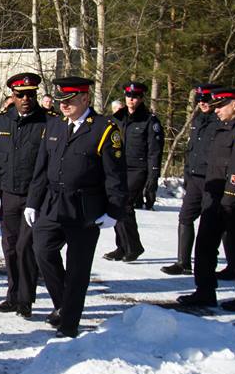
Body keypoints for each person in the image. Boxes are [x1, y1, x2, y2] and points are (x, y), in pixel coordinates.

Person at [25, 77, 127, 339]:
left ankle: (69, 323)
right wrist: (32, 202)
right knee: (42, 250)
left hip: (85, 207)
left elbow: (115, 174)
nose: (64, 106)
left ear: (85, 98)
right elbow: (41, 167)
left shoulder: (104, 128)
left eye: (70, 101)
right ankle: (63, 303)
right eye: (60, 101)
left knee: (78, 267)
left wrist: (115, 210)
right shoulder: (55, 124)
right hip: (53, 202)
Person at [176, 87, 235, 312]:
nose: (216, 110)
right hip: (214, 198)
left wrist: (230, 198)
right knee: (205, 245)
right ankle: (205, 291)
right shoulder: (220, 130)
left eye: (221, 106)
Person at [0, 73, 49, 319]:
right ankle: (12, 295)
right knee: (10, 247)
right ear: (11, 97)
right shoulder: (1, 122)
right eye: (20, 95)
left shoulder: (47, 123)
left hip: (33, 195)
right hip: (8, 194)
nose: (26, 99)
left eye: (30, 94)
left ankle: (26, 299)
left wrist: (37, 199)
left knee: (26, 247)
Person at [161, 83, 218, 275]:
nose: (202, 103)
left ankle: (223, 266)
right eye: (199, 100)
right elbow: (191, 149)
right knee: (185, 217)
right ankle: (183, 262)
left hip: (214, 180)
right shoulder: (198, 120)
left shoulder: (221, 122)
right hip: (195, 178)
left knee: (214, 224)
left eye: (206, 99)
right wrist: (187, 173)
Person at [103, 81, 163, 262]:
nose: (131, 100)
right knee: (115, 204)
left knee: (125, 204)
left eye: (135, 97)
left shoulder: (149, 121)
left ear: (141, 98)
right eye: (129, 96)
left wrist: (153, 175)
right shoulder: (118, 117)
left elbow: (155, 151)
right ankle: (121, 246)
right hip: (118, 167)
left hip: (138, 169)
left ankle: (134, 246)